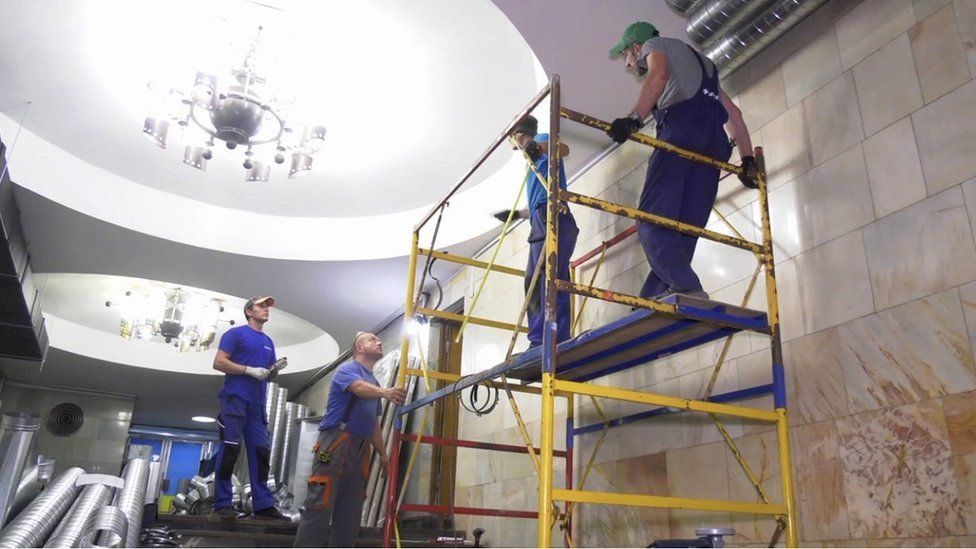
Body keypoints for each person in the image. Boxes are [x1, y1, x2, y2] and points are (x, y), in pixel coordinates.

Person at [606, 21, 757, 301]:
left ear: (636, 47)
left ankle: (684, 286)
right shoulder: (703, 66)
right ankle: (660, 295)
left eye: (626, 55)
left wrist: (634, 118)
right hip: (714, 146)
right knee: (685, 229)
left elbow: (658, 75)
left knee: (651, 220)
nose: (628, 64)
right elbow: (733, 113)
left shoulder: (655, 47)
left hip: (682, 130)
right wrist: (747, 161)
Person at [293, 332, 407, 547]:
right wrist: (385, 392)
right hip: (336, 441)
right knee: (320, 506)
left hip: (360, 447)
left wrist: (383, 455)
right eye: (373, 339)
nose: (380, 342)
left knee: (350, 513)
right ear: (360, 347)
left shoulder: (374, 382)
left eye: (379, 339)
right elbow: (358, 389)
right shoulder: (348, 370)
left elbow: (372, 422)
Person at [494, 114, 579, 347]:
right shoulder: (533, 164)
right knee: (555, 278)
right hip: (549, 217)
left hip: (549, 217)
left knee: (539, 279)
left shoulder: (541, 141)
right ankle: (557, 336)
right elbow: (541, 193)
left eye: (512, 138)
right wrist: (519, 215)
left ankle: (541, 339)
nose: (511, 144)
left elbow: (563, 148)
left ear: (518, 133)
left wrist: (533, 146)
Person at [211, 296, 289, 520]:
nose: (266, 310)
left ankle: (263, 505)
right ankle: (222, 503)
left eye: (268, 307)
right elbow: (219, 362)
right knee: (230, 450)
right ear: (248, 311)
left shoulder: (268, 341)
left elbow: (268, 374)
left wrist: (275, 368)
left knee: (261, 453)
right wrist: (247, 370)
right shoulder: (235, 334)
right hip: (235, 400)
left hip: (257, 404)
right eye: (261, 306)